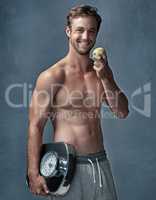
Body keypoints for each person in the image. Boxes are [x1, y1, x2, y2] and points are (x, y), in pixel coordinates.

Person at [27, 5, 129, 200]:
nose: (85, 37)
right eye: (80, 30)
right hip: (66, 169)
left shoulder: (101, 72)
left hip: (100, 165)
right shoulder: (52, 76)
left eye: (91, 31)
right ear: (68, 31)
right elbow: (35, 126)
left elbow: (122, 112)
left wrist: (107, 77)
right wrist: (34, 173)